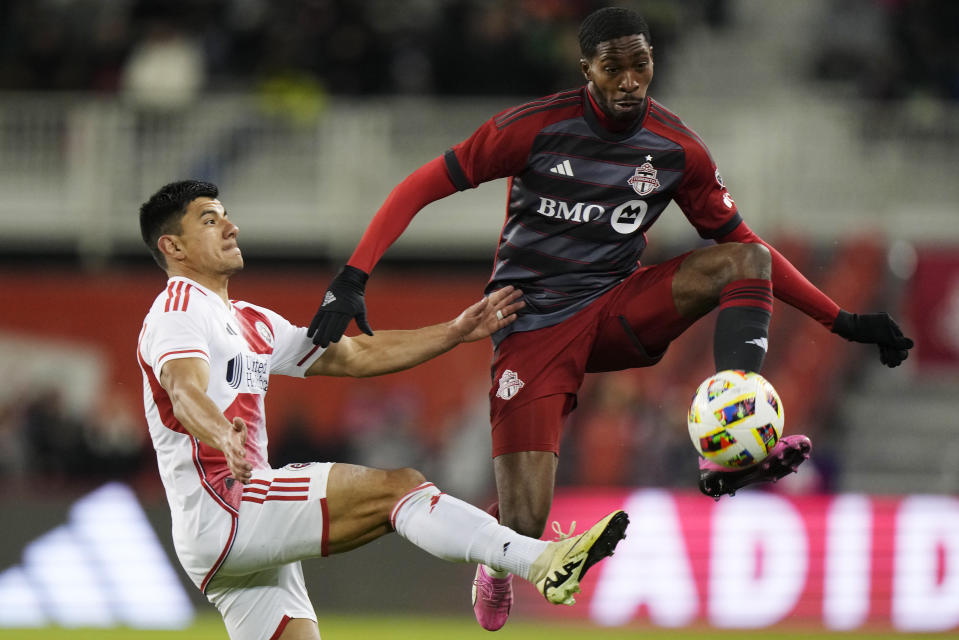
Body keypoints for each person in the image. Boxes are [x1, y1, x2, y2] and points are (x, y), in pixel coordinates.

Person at [307, 6, 915, 632]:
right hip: (531, 328)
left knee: (743, 260)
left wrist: (841, 321)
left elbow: (749, 245)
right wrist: (354, 275)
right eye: (613, 67)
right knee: (524, 524)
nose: (629, 80)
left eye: (641, 64)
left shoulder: (676, 149)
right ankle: (493, 567)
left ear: (653, 61)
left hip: (615, 311)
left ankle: (728, 434)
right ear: (587, 71)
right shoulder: (535, 127)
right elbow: (422, 184)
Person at [136, 179, 629, 640]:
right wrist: (222, 434)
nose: (231, 226)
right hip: (228, 504)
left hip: (232, 526)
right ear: (173, 247)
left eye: (225, 216)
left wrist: (455, 331)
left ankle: (533, 561)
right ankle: (540, 561)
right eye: (208, 220)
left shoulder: (250, 321)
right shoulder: (179, 309)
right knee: (400, 488)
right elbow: (183, 392)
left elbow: (355, 355)